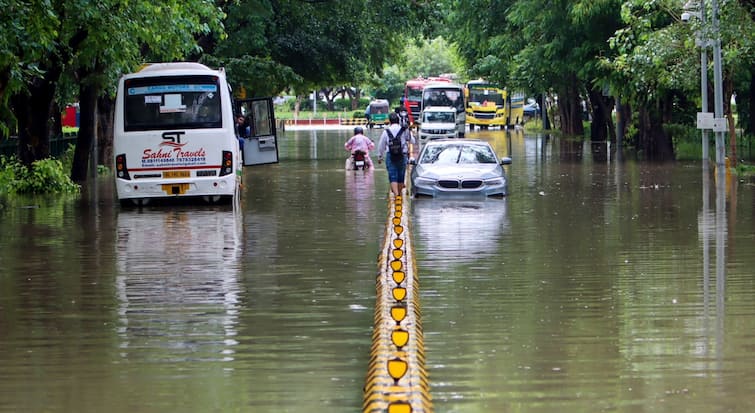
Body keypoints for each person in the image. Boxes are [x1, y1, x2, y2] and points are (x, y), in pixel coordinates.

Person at [377, 112, 416, 197]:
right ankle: (399, 195)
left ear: (390, 121)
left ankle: (396, 195)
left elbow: (381, 145)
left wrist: (380, 157)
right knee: (401, 175)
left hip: (390, 155)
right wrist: (409, 131)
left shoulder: (386, 131)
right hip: (403, 155)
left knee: (392, 175)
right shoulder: (404, 129)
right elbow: (413, 141)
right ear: (398, 121)